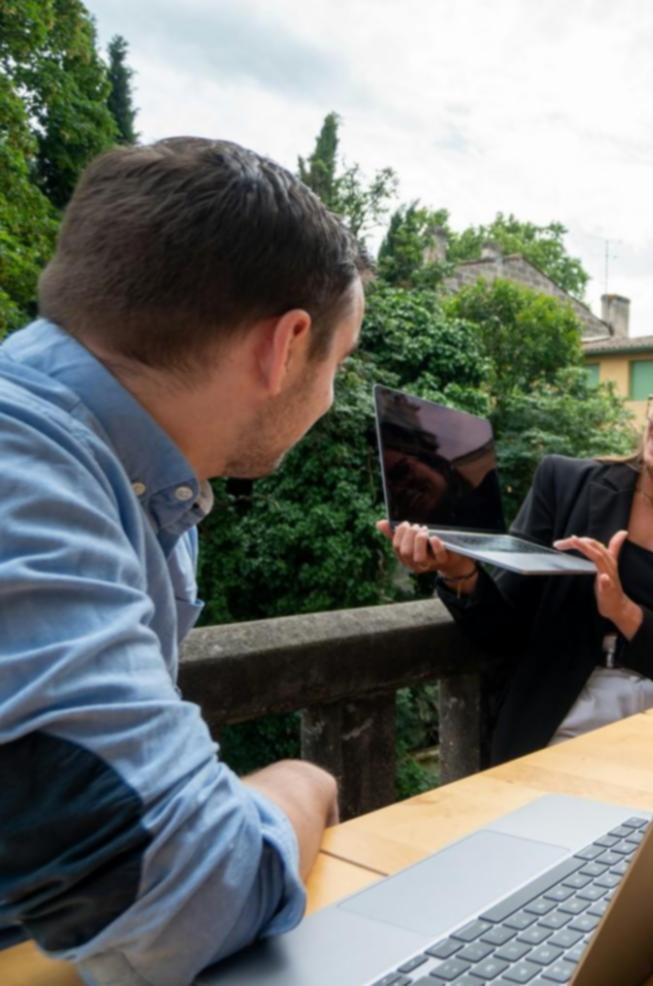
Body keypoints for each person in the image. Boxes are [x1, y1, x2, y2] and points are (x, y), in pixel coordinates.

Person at [0, 139, 366, 980]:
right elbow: (186, 896)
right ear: (285, 346)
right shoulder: (22, 464)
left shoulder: (133, 475)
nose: (330, 394)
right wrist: (301, 779)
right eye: (335, 365)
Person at [381, 362, 653, 762]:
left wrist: (625, 613)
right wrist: (458, 572)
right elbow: (503, 632)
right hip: (563, 721)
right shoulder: (566, 484)